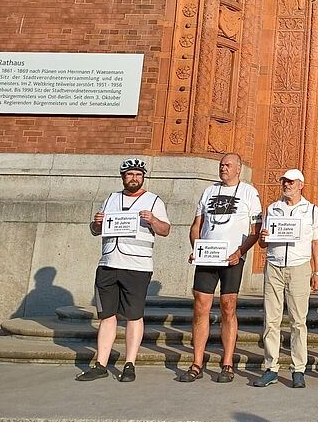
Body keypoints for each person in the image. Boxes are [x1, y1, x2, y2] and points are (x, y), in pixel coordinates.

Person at [77, 158, 171, 382]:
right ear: (123, 177)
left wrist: (153, 219)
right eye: (130, 175)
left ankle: (130, 363)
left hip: (137, 266)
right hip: (109, 263)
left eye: (138, 175)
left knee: (133, 316)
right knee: (107, 316)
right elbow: (95, 229)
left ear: (143, 177)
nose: (134, 178)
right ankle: (101, 363)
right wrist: (97, 223)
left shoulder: (153, 200)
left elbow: (165, 230)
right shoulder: (111, 198)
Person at [180, 153, 262, 383]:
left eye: (227, 165)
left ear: (239, 169)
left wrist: (240, 253)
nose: (223, 168)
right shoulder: (208, 191)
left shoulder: (249, 192)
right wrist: (196, 248)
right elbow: (197, 225)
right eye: (221, 165)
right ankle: (197, 362)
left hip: (232, 258)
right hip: (207, 257)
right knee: (201, 305)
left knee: (228, 307)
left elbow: (256, 229)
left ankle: (227, 362)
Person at [254, 169, 318, 388]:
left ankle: (298, 369)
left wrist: (317, 270)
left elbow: (316, 242)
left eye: (291, 182)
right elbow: (263, 243)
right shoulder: (273, 208)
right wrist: (263, 239)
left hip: (299, 267)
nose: (286, 185)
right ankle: (271, 367)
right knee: (271, 319)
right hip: (274, 265)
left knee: (298, 321)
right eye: (284, 182)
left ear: (301, 184)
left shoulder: (311, 210)